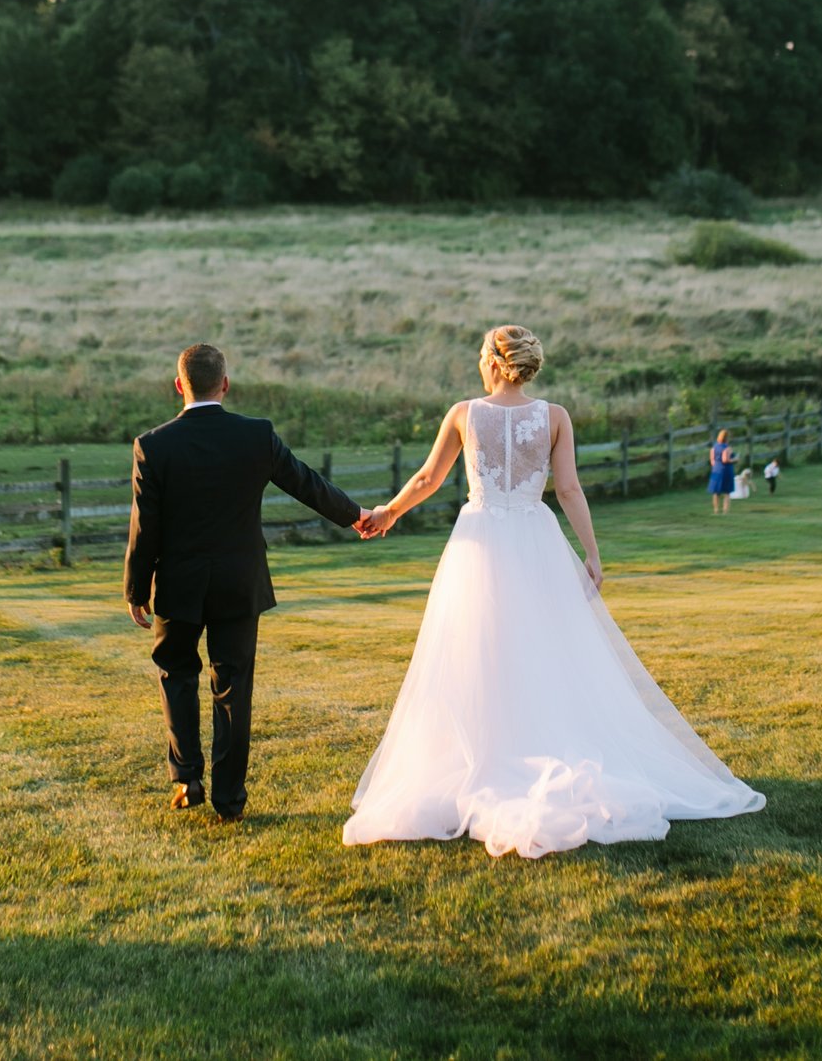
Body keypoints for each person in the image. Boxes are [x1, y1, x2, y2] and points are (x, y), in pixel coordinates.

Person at [343, 325, 766, 858]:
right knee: (543, 649)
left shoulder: (464, 413)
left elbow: (428, 478)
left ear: (495, 365)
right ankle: (535, 747)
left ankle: (489, 755)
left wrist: (387, 513)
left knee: (476, 648)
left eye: (481, 357)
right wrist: (591, 552)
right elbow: (567, 488)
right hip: (536, 539)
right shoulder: (556, 417)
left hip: (481, 542)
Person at [124, 343, 377, 823]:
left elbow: (145, 526)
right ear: (225, 384)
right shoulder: (255, 436)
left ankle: (186, 777)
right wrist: (356, 516)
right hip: (239, 584)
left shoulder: (152, 446)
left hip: (178, 585)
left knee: (176, 673)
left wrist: (137, 589)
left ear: (179, 385)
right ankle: (230, 801)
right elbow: (306, 483)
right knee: (233, 688)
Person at [707, 429, 739, 514]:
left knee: (716, 492)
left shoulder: (714, 447)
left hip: (716, 470)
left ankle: (716, 509)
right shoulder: (727, 448)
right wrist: (735, 459)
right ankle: (725, 510)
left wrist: (716, 466)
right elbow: (725, 460)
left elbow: (712, 461)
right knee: (727, 492)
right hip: (725, 470)